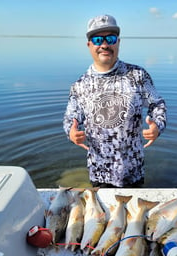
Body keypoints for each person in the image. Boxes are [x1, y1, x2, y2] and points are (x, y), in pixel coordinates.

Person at [63, 14, 167, 188]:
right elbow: (70, 118)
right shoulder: (79, 86)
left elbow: (157, 104)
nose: (104, 45)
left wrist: (157, 125)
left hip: (133, 171)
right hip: (99, 173)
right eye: (97, 39)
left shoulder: (137, 75)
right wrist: (72, 133)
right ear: (89, 45)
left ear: (118, 42)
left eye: (110, 38)